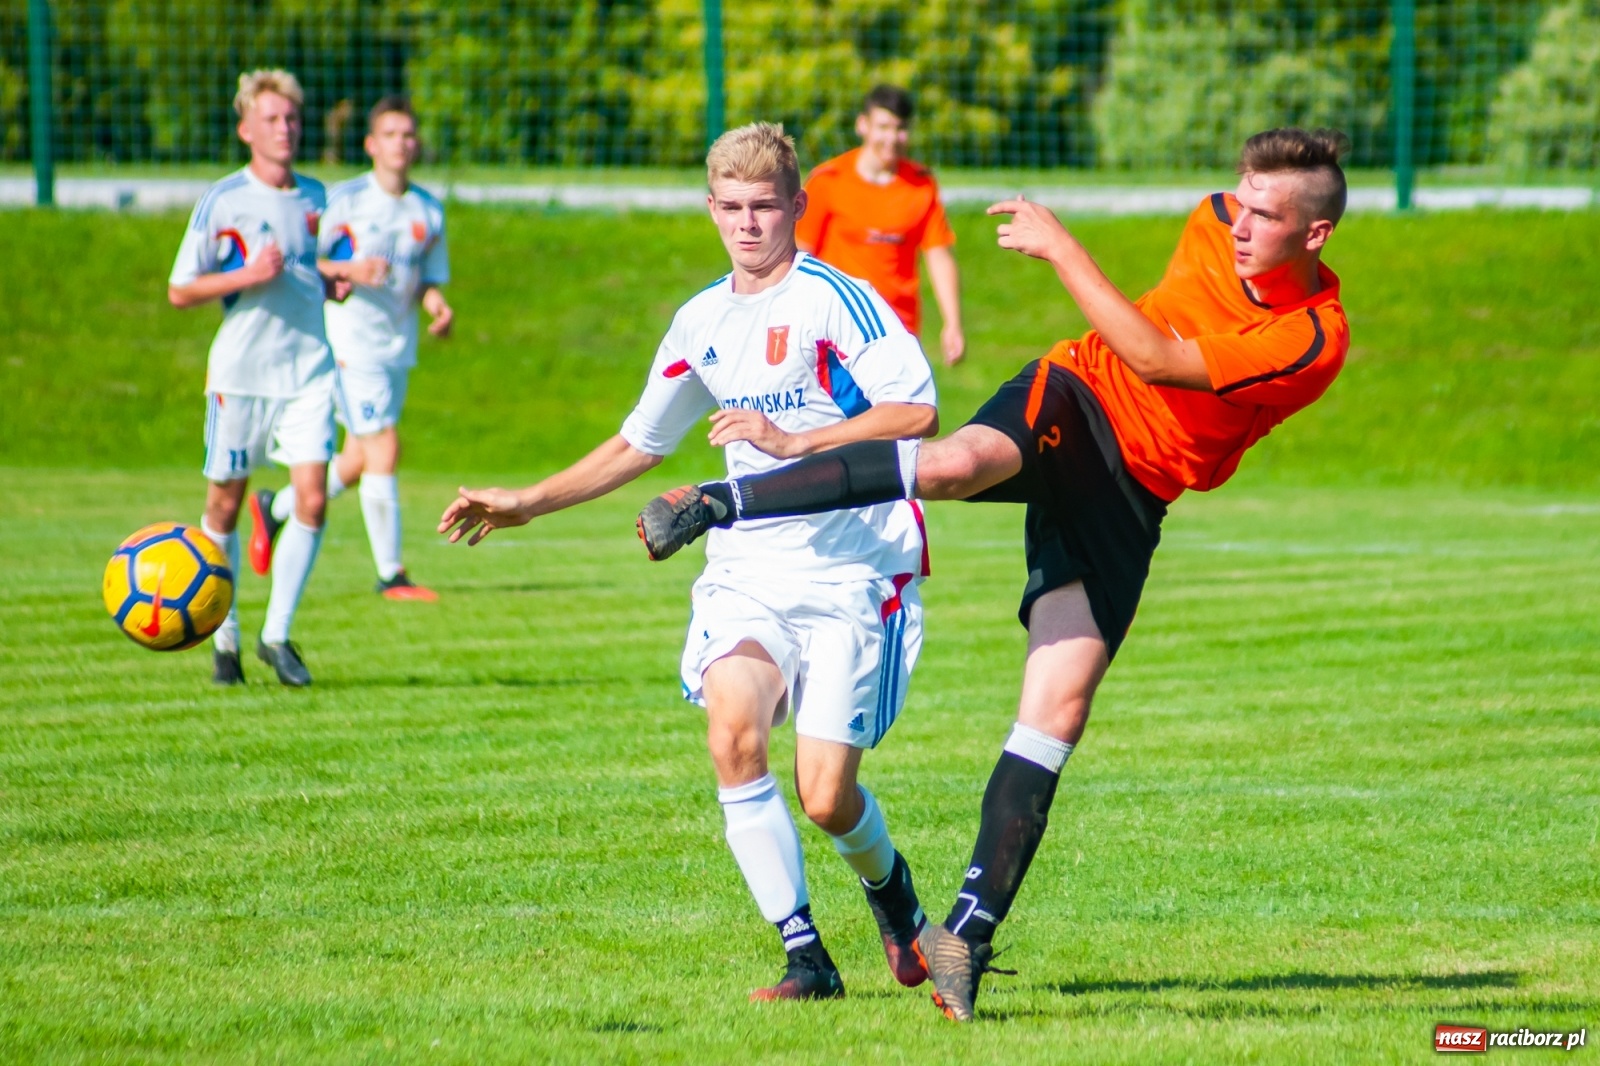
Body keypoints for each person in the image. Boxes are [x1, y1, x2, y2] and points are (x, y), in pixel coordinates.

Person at [637, 128, 1353, 1022]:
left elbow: (1163, 361)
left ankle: (962, 940)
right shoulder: (1212, 216)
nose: (1240, 222)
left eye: (1267, 214)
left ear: (1315, 235)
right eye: (1240, 199)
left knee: (1058, 710)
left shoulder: (1313, 336)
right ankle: (726, 501)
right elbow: (1124, 362)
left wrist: (1062, 250)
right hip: (1074, 394)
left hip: (1133, 492)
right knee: (948, 464)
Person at [438, 123, 942, 1001]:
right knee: (732, 734)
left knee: (825, 797)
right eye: (732, 209)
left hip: (856, 569)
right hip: (748, 567)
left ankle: (893, 896)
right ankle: (806, 958)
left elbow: (919, 411)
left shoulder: (838, 299)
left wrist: (795, 439)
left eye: (765, 208)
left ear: (797, 207)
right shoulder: (701, 321)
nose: (749, 225)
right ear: (711, 210)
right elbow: (641, 441)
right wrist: (526, 502)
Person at [167, 69, 350, 688]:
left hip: (309, 371)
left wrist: (332, 281)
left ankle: (277, 636)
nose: (285, 129)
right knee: (224, 503)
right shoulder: (223, 200)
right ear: (247, 129)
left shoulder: (320, 197)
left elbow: (309, 270)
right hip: (241, 375)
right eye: (272, 119)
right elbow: (181, 289)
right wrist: (248, 274)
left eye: (292, 119)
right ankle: (226, 643)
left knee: (313, 499)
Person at [253, 95, 453, 602]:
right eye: (390, 135)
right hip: (347, 340)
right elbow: (301, 262)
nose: (401, 144)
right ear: (370, 144)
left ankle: (274, 508)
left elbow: (425, 278)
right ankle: (392, 575)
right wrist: (348, 270)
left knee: (361, 455)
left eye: (408, 135)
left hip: (395, 346)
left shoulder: (427, 210)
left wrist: (436, 306)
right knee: (384, 446)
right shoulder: (344, 201)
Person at [797, 85, 965, 366]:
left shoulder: (920, 185)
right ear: (862, 125)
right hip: (836, 333)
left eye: (899, 128)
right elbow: (799, 253)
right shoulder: (828, 181)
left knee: (909, 410)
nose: (891, 138)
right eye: (883, 127)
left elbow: (938, 254)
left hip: (898, 332)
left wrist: (953, 323)